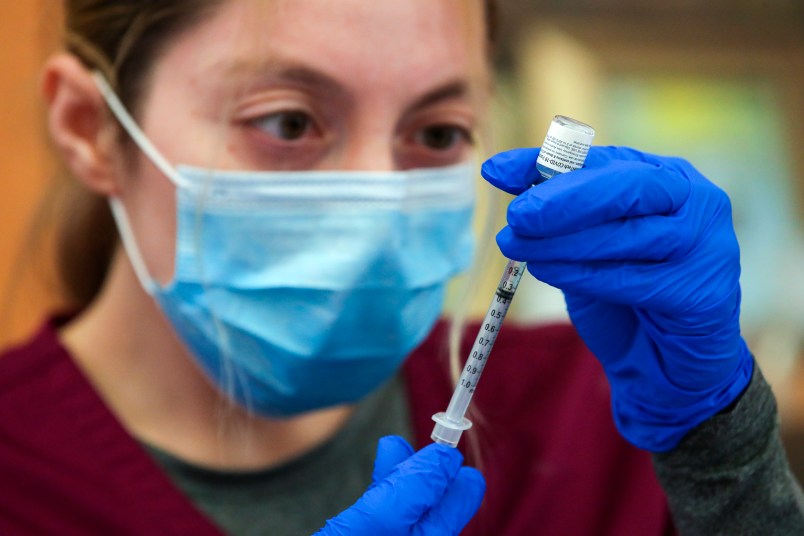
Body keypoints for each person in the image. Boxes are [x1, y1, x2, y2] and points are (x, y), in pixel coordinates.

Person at [1, 0, 802, 534]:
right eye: (288, 120)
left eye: (439, 131)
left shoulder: (593, 416)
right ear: (90, 129)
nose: (382, 200)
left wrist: (724, 456)